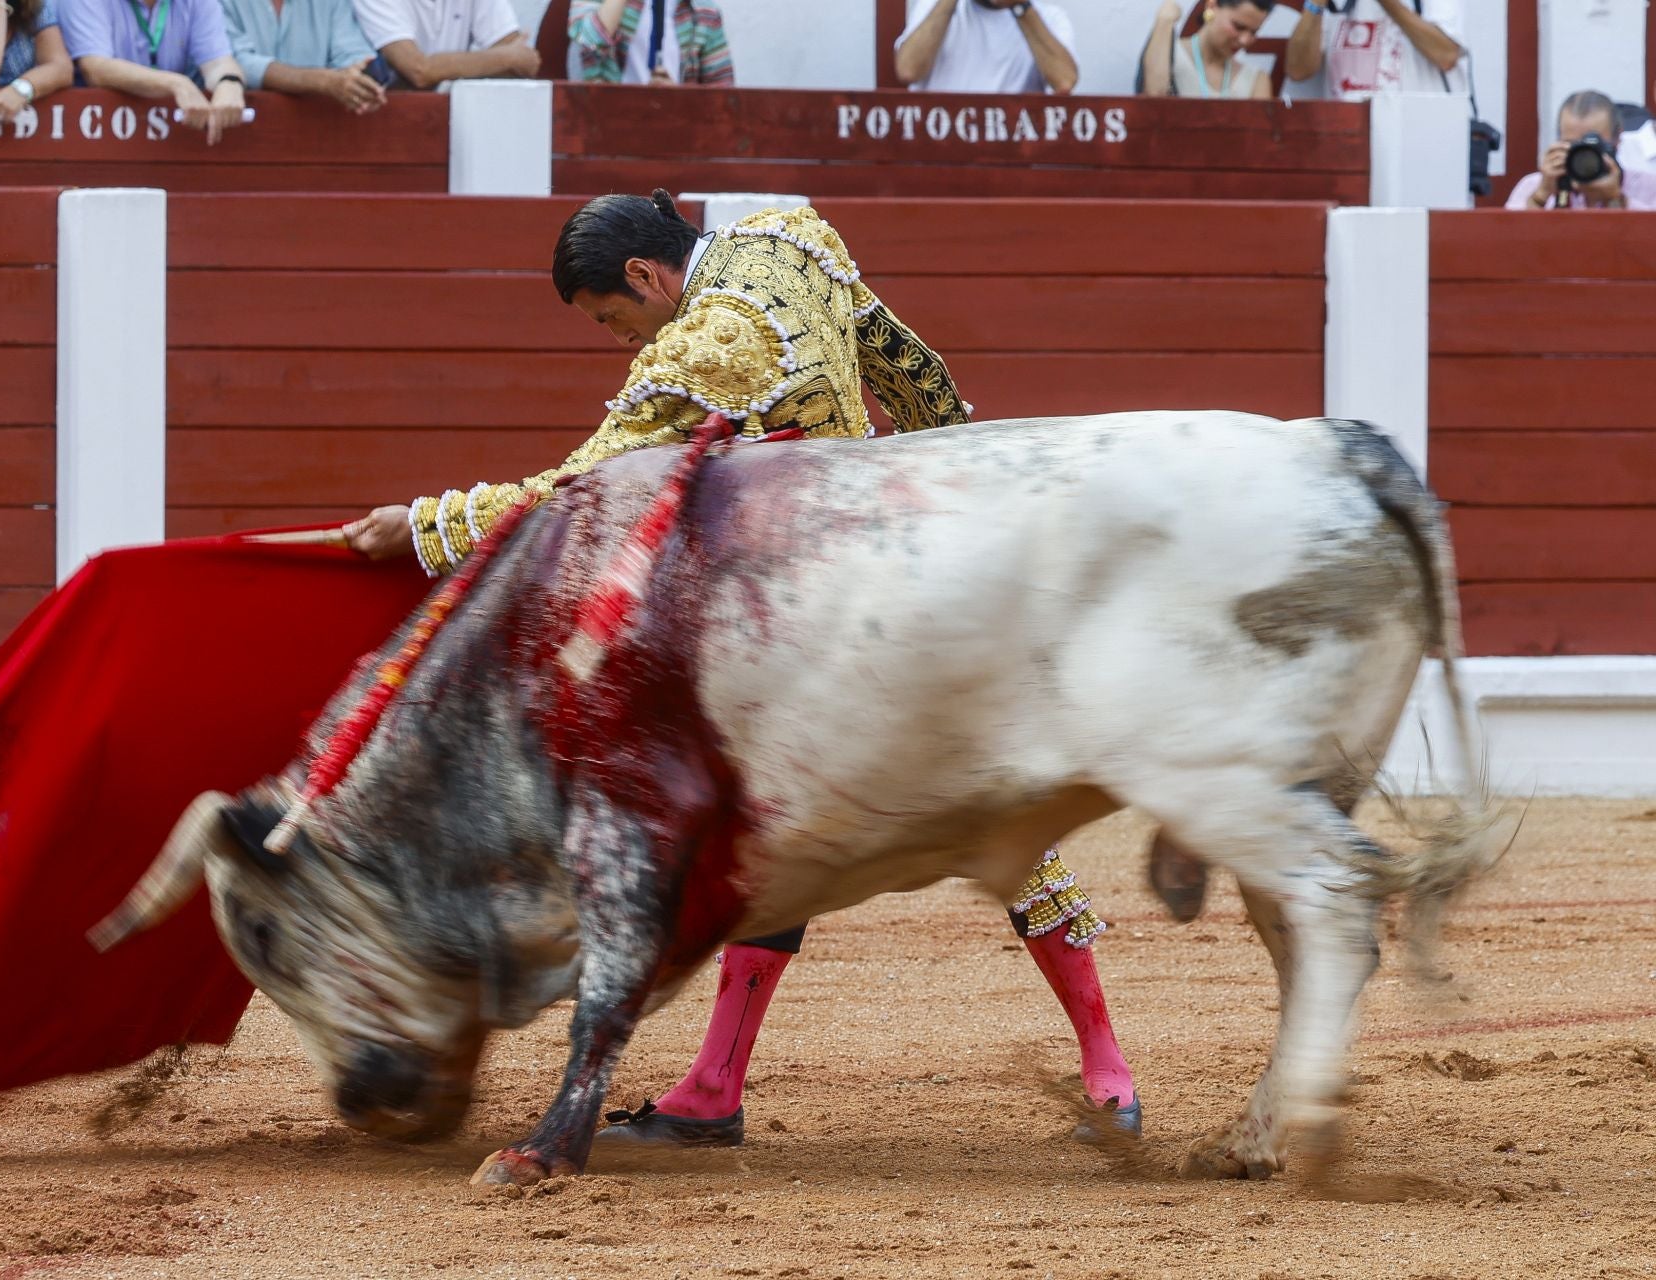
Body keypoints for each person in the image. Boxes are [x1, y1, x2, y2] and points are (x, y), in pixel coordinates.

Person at [343, 192, 1141, 1147]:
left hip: (811, 617)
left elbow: (579, 488)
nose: (623, 342)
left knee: (770, 830)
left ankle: (716, 1088)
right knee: (980, 807)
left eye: (613, 318)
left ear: (646, 276)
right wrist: (955, 497)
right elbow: (913, 370)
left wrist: (428, 525)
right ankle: (1106, 1071)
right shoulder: (792, 236)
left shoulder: (704, 343)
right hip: (909, 582)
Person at [60, 0, 247, 144]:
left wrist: (229, 82)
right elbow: (95, 68)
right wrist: (176, 84)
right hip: (94, 139)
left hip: (169, 144)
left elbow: (218, 62)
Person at [221, 0, 386, 114]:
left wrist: (356, 77)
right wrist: (325, 81)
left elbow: (353, 55)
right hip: (236, 136)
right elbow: (229, 61)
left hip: (318, 136)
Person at [1506, 90, 1656, 211]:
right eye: (1572, 144)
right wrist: (1541, 196)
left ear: (1618, 139)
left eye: (1594, 145)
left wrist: (1616, 200)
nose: (1584, 154)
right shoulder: (1533, 185)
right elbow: (1507, 241)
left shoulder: (1649, 187)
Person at [1285, 0, 1462, 100]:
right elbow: (1297, 70)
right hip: (1347, 143)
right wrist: (1315, 4)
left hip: (1417, 142)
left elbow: (1446, 55)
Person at [894, 0, 1077, 96]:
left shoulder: (1049, 17)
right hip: (941, 152)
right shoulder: (932, 5)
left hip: (1011, 153)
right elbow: (908, 70)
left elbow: (1064, 82)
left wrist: (1020, 7)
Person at [349, 0, 538, 90]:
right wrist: (505, 57)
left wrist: (510, 58)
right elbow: (418, 71)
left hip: (456, 122)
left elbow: (525, 64)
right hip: (386, 127)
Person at [566, 0, 731, 86]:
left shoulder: (704, 10)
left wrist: (680, 97)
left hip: (677, 135)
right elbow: (587, 41)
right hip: (611, 129)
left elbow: (722, 93)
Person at [1141, 0, 1274, 100]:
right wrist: (1164, 22)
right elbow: (1154, 98)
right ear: (1211, 6)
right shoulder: (1168, 54)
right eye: (1238, 27)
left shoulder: (1255, 79)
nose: (1244, 40)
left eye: (1253, 32)